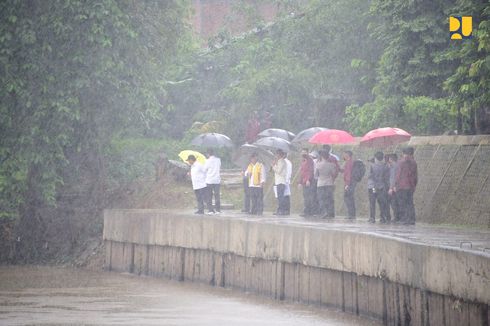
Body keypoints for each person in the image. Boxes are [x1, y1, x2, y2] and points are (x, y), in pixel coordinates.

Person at [395, 147, 418, 225]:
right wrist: (414, 185)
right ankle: (412, 219)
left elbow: (398, 175)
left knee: (402, 203)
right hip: (410, 186)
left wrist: (395, 185)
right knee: (410, 203)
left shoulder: (400, 162)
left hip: (401, 186)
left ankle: (405, 219)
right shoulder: (414, 163)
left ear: (403, 153)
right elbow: (415, 176)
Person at [367, 151, 390, 223]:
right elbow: (386, 177)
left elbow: (369, 176)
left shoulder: (372, 166)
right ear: (382, 158)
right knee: (381, 203)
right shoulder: (385, 166)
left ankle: (372, 217)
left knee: (372, 202)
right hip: (381, 187)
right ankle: (382, 217)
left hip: (373, 187)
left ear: (375, 157)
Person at [315, 150, 337, 218]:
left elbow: (316, 175)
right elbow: (334, 174)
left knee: (321, 199)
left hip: (320, 183)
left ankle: (324, 212)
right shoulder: (331, 165)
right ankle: (331, 213)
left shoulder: (317, 164)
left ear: (321, 156)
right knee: (329, 199)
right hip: (329, 183)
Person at [298, 148, 315, 217]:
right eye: (302, 152)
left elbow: (311, 171)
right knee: (305, 196)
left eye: (304, 152)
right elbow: (302, 173)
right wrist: (300, 182)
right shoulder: (303, 161)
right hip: (304, 181)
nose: (303, 153)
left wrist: (308, 179)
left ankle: (309, 211)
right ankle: (306, 211)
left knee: (309, 197)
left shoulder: (310, 160)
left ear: (308, 153)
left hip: (308, 181)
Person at [203, 149, 221, 214]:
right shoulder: (218, 160)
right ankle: (218, 210)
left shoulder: (207, 161)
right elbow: (219, 167)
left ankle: (210, 210)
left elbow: (204, 170)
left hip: (209, 180)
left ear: (208, 154)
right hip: (217, 180)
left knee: (209, 196)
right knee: (217, 195)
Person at [272, 149, 288, 215]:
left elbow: (279, 171)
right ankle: (280, 210)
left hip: (281, 181)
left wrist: (274, 165)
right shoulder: (279, 161)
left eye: (277, 154)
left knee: (281, 197)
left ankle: (282, 210)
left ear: (280, 154)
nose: (276, 155)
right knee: (279, 196)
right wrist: (275, 164)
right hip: (279, 181)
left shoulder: (281, 161)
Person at [342, 150, 356, 219]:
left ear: (347, 155)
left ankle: (351, 214)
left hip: (349, 183)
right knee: (350, 198)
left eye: (344, 154)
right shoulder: (351, 162)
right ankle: (352, 214)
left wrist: (347, 184)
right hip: (352, 183)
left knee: (348, 198)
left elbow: (348, 174)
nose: (343, 155)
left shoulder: (349, 163)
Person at [387, 153, 400, 222]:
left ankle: (396, 217)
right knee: (397, 202)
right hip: (399, 187)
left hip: (394, 187)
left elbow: (393, 178)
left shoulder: (393, 167)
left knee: (393, 202)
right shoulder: (398, 165)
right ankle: (398, 217)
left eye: (389, 158)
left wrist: (391, 188)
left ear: (391, 159)